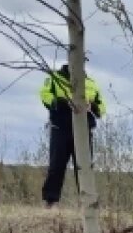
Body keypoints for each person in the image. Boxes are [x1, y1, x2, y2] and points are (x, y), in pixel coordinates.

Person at [39, 63, 106, 209]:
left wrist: (92, 106)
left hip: (84, 130)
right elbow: (45, 95)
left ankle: (86, 203)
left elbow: (102, 107)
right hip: (61, 128)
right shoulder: (55, 77)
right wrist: (60, 102)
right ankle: (51, 201)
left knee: (85, 168)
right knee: (56, 165)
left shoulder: (91, 82)